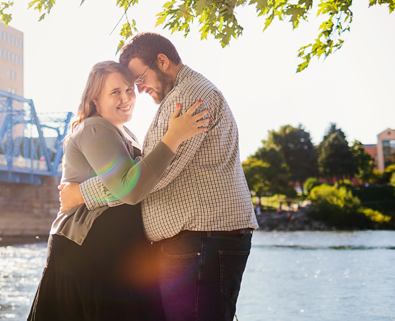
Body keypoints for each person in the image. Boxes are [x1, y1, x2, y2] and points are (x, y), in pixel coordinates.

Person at [59, 33, 258, 321]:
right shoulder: (184, 94)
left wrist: (81, 194)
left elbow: (142, 179)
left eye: (138, 80)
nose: (137, 91)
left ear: (161, 61)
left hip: (201, 242)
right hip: (198, 243)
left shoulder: (186, 98)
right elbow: (145, 169)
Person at [28, 61, 209, 321]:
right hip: (89, 251)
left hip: (113, 253)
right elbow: (129, 188)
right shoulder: (96, 127)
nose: (126, 98)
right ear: (95, 99)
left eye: (129, 90)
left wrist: (81, 193)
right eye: (115, 92)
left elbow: (139, 180)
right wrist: (174, 136)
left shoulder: (124, 133)